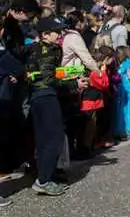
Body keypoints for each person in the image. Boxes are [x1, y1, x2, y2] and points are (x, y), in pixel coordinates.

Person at [27, 18, 88, 196]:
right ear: (45, 34)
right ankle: (43, 180)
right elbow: (49, 78)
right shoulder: (47, 50)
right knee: (53, 138)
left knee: (44, 139)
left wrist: (69, 76)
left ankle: (47, 175)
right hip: (46, 97)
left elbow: (51, 74)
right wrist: (74, 84)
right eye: (56, 32)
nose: (60, 35)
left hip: (38, 98)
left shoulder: (37, 49)